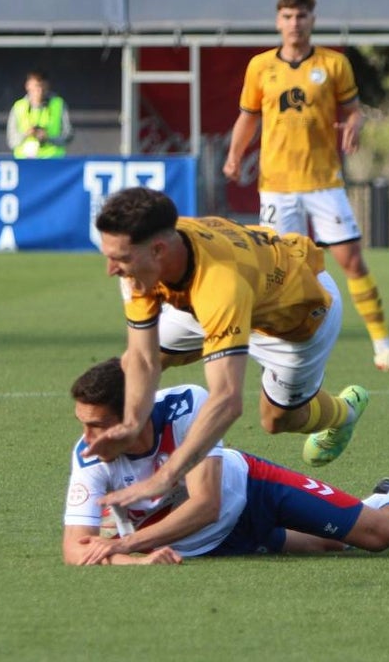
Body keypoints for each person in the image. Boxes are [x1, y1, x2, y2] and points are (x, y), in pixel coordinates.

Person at [61, 358, 389, 565]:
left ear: (134, 412)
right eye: (83, 424)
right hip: (216, 544)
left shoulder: (186, 406)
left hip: (256, 492)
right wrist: (136, 560)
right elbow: (76, 549)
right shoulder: (88, 457)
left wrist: (126, 545)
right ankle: (387, 495)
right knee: (335, 546)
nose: (88, 439)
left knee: (380, 536)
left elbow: (204, 504)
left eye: (99, 425)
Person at [91, 186, 373, 515]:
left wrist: (167, 476)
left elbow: (226, 400)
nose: (111, 269)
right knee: (130, 369)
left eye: (120, 259)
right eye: (108, 255)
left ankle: (345, 413)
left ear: (157, 250)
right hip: (216, 301)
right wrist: (129, 425)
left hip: (296, 317)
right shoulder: (147, 258)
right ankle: (130, 483)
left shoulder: (219, 285)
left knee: (277, 419)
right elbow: (142, 357)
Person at [223, 0, 389, 376]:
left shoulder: (333, 63)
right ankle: (278, 352)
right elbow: (248, 115)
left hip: (324, 182)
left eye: (302, 16)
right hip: (277, 184)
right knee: (278, 270)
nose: (295, 24)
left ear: (313, 20)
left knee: (352, 261)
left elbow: (352, 110)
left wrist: (353, 125)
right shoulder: (260, 66)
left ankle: (384, 348)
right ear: (278, 21)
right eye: (288, 17)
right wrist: (234, 154)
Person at [6, 69, 73, 158]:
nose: (39, 90)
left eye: (42, 86)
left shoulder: (58, 104)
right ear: (27, 86)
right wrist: (26, 134)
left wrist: (48, 138)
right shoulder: (18, 107)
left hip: (53, 162)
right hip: (25, 162)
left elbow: (68, 135)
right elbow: (11, 141)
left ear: (47, 86)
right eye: (36, 86)